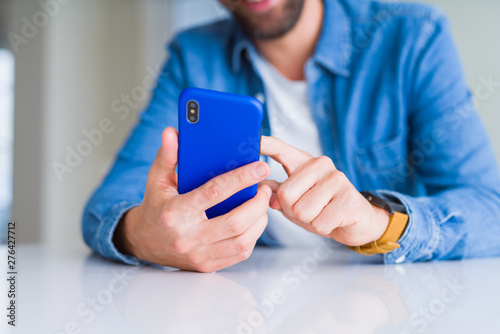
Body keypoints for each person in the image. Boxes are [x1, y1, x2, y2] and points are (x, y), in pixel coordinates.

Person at [82, 0, 500, 272]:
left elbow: (491, 210)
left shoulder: (412, 38)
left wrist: (377, 223)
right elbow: (104, 206)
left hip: (388, 303)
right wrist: (143, 235)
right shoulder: (193, 55)